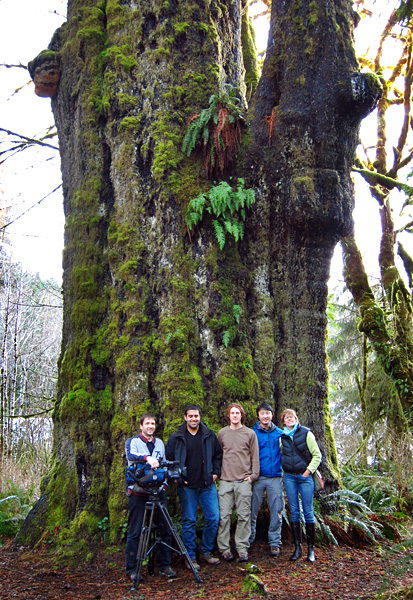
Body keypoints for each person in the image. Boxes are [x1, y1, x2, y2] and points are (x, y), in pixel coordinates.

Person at [165, 404, 222, 569]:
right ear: (185, 417)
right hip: (187, 486)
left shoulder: (209, 435)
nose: (193, 419)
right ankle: (190, 556)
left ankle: (205, 551)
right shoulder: (177, 437)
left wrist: (215, 473)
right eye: (190, 416)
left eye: (196, 416)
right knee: (189, 520)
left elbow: (218, 455)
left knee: (213, 518)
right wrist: (176, 478)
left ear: (199, 417)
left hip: (206, 484)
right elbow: (169, 459)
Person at [125, 413, 177, 580]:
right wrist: (147, 458)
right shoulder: (133, 442)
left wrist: (165, 484)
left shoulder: (159, 443)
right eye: (147, 423)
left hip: (158, 491)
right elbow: (131, 457)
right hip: (138, 492)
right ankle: (133, 569)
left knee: (165, 528)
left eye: (153, 424)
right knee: (135, 531)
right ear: (141, 426)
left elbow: (164, 464)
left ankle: (165, 565)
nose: (150, 426)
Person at [217, 403, 260, 563]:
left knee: (244, 516)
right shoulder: (222, 433)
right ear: (228, 415)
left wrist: (253, 476)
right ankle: (224, 549)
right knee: (224, 516)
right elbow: (218, 455)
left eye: (238, 413)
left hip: (243, 481)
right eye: (232, 413)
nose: (235, 415)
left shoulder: (250, 433)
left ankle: (242, 548)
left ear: (242, 415)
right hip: (226, 481)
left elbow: (255, 456)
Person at [280, 408, 322, 563]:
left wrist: (308, 471)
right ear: (283, 421)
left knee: (308, 511)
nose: (289, 419)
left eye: (292, 417)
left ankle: (311, 549)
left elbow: (317, 455)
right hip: (289, 478)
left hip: (305, 478)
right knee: (294, 511)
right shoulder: (282, 437)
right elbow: (281, 454)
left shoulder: (306, 433)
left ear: (296, 419)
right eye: (286, 417)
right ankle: (297, 548)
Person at [249, 402, 284, 557]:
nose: (265, 416)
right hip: (257, 477)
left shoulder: (280, 433)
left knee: (276, 510)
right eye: (262, 413)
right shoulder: (252, 433)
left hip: (275, 477)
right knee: (252, 509)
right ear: (258, 415)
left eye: (268, 413)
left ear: (272, 415)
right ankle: (248, 540)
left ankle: (275, 542)